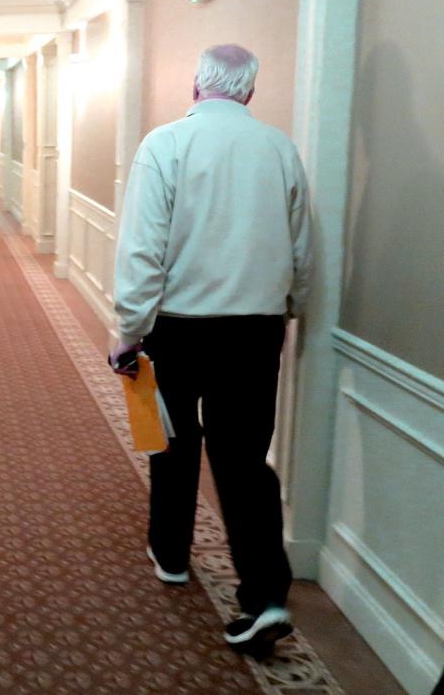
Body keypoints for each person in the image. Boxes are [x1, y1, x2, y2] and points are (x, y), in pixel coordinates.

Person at [109, 44, 313, 651]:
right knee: (245, 461)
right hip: (255, 328)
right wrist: (290, 307)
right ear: (250, 92)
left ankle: (171, 554)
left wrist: (129, 328)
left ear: (196, 86)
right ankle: (266, 596)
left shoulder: (165, 144)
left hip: (177, 325)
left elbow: (143, 248)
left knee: (171, 442)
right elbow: (301, 247)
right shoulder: (279, 148)